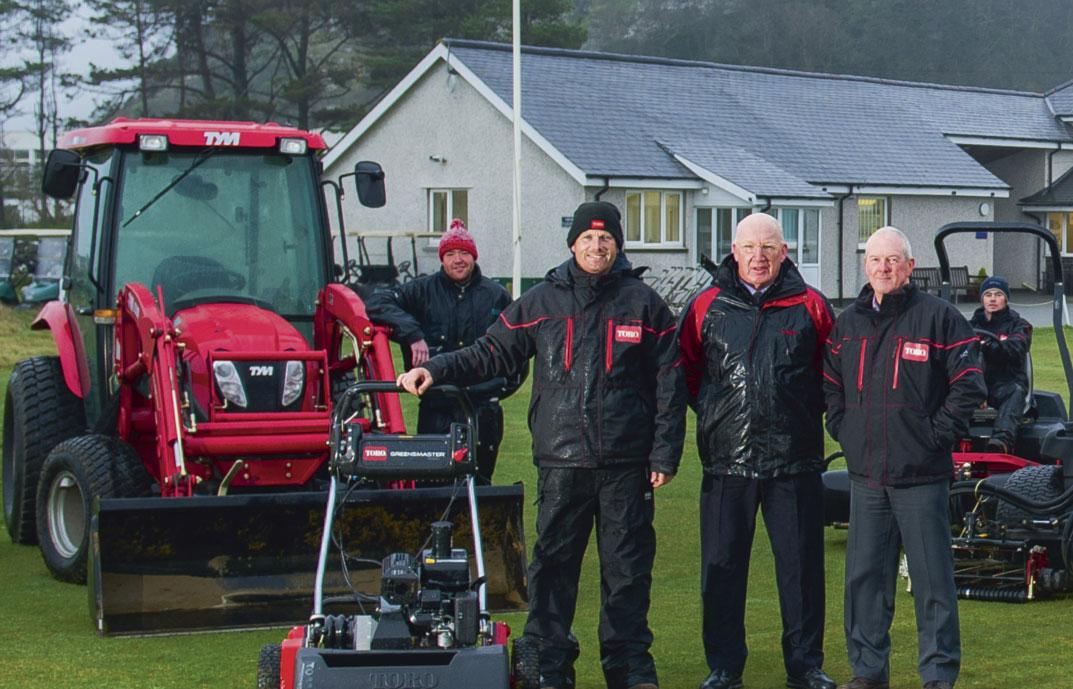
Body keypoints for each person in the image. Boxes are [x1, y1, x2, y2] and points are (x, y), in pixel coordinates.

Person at [397, 201, 686, 689]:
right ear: (573, 244)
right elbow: (489, 351)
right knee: (552, 569)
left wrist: (664, 453)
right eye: (588, 238)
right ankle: (548, 666)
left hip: (626, 465)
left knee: (628, 572)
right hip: (562, 462)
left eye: (606, 239)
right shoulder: (541, 302)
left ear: (618, 245)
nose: (597, 246)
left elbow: (670, 384)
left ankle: (630, 668)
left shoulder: (644, 304)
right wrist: (436, 368)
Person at [822, 227, 985, 689]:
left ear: (910, 267)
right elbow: (830, 383)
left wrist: (933, 436)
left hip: (921, 476)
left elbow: (969, 384)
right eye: (876, 260)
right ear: (865, 266)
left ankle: (937, 674)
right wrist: (845, 430)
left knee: (932, 582)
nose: (884, 268)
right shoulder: (848, 323)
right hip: (867, 477)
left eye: (893, 260)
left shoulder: (939, 318)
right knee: (865, 581)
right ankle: (868, 672)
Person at [678, 213, 837, 689]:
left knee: (801, 569)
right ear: (734, 251)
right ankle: (724, 666)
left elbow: (832, 374)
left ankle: (805, 665)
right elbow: (687, 371)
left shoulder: (811, 305)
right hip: (727, 463)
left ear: (784, 252)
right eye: (749, 247)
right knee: (721, 568)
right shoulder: (707, 305)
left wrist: (801, 414)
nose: (758, 256)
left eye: (768, 247)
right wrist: (716, 413)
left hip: (794, 461)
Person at [364, 219, 526, 484]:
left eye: (464, 253)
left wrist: (498, 388)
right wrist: (412, 334)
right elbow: (376, 302)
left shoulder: (496, 295)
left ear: (473, 256)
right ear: (442, 259)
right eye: (451, 254)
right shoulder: (422, 290)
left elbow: (518, 346)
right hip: (436, 407)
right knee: (432, 484)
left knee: (479, 485)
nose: (458, 260)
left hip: (483, 411)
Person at [968, 275, 1032, 454]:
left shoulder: (1019, 326)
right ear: (982, 299)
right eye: (988, 295)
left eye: (998, 294)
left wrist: (990, 346)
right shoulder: (969, 326)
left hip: (1005, 383)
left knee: (1015, 391)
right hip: (974, 384)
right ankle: (943, 439)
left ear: (1006, 299)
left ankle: (1001, 440)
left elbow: (1016, 348)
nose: (993, 299)